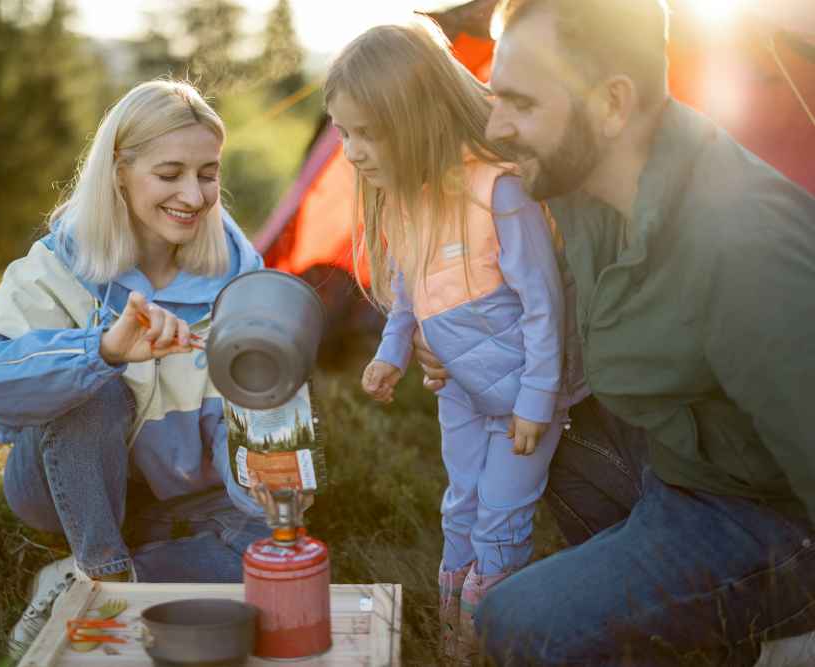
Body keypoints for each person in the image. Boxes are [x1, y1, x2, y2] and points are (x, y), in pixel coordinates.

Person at [412, 0, 815, 664]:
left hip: (769, 517)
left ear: (611, 104)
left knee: (518, 622)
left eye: (519, 103)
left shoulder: (744, 249)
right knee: (527, 418)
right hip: (683, 456)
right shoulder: (582, 178)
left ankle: (784, 628)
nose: (495, 125)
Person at [0, 80, 269, 657]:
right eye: (170, 174)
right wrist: (101, 353)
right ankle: (105, 571)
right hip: (63, 482)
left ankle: (81, 582)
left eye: (208, 173)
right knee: (96, 392)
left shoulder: (240, 278)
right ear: (118, 171)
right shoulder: (63, 263)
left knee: (273, 561)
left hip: (183, 495)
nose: (194, 194)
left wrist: (257, 471)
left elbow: (240, 414)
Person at [324, 22, 587, 662]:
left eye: (367, 132)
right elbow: (411, 290)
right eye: (342, 133)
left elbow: (543, 302)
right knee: (460, 509)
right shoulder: (406, 203)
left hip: (525, 398)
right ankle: (455, 640)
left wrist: (536, 397)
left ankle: (495, 635)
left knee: (501, 518)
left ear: (416, 117)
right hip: (463, 394)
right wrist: (391, 353)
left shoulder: (498, 191)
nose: (352, 151)